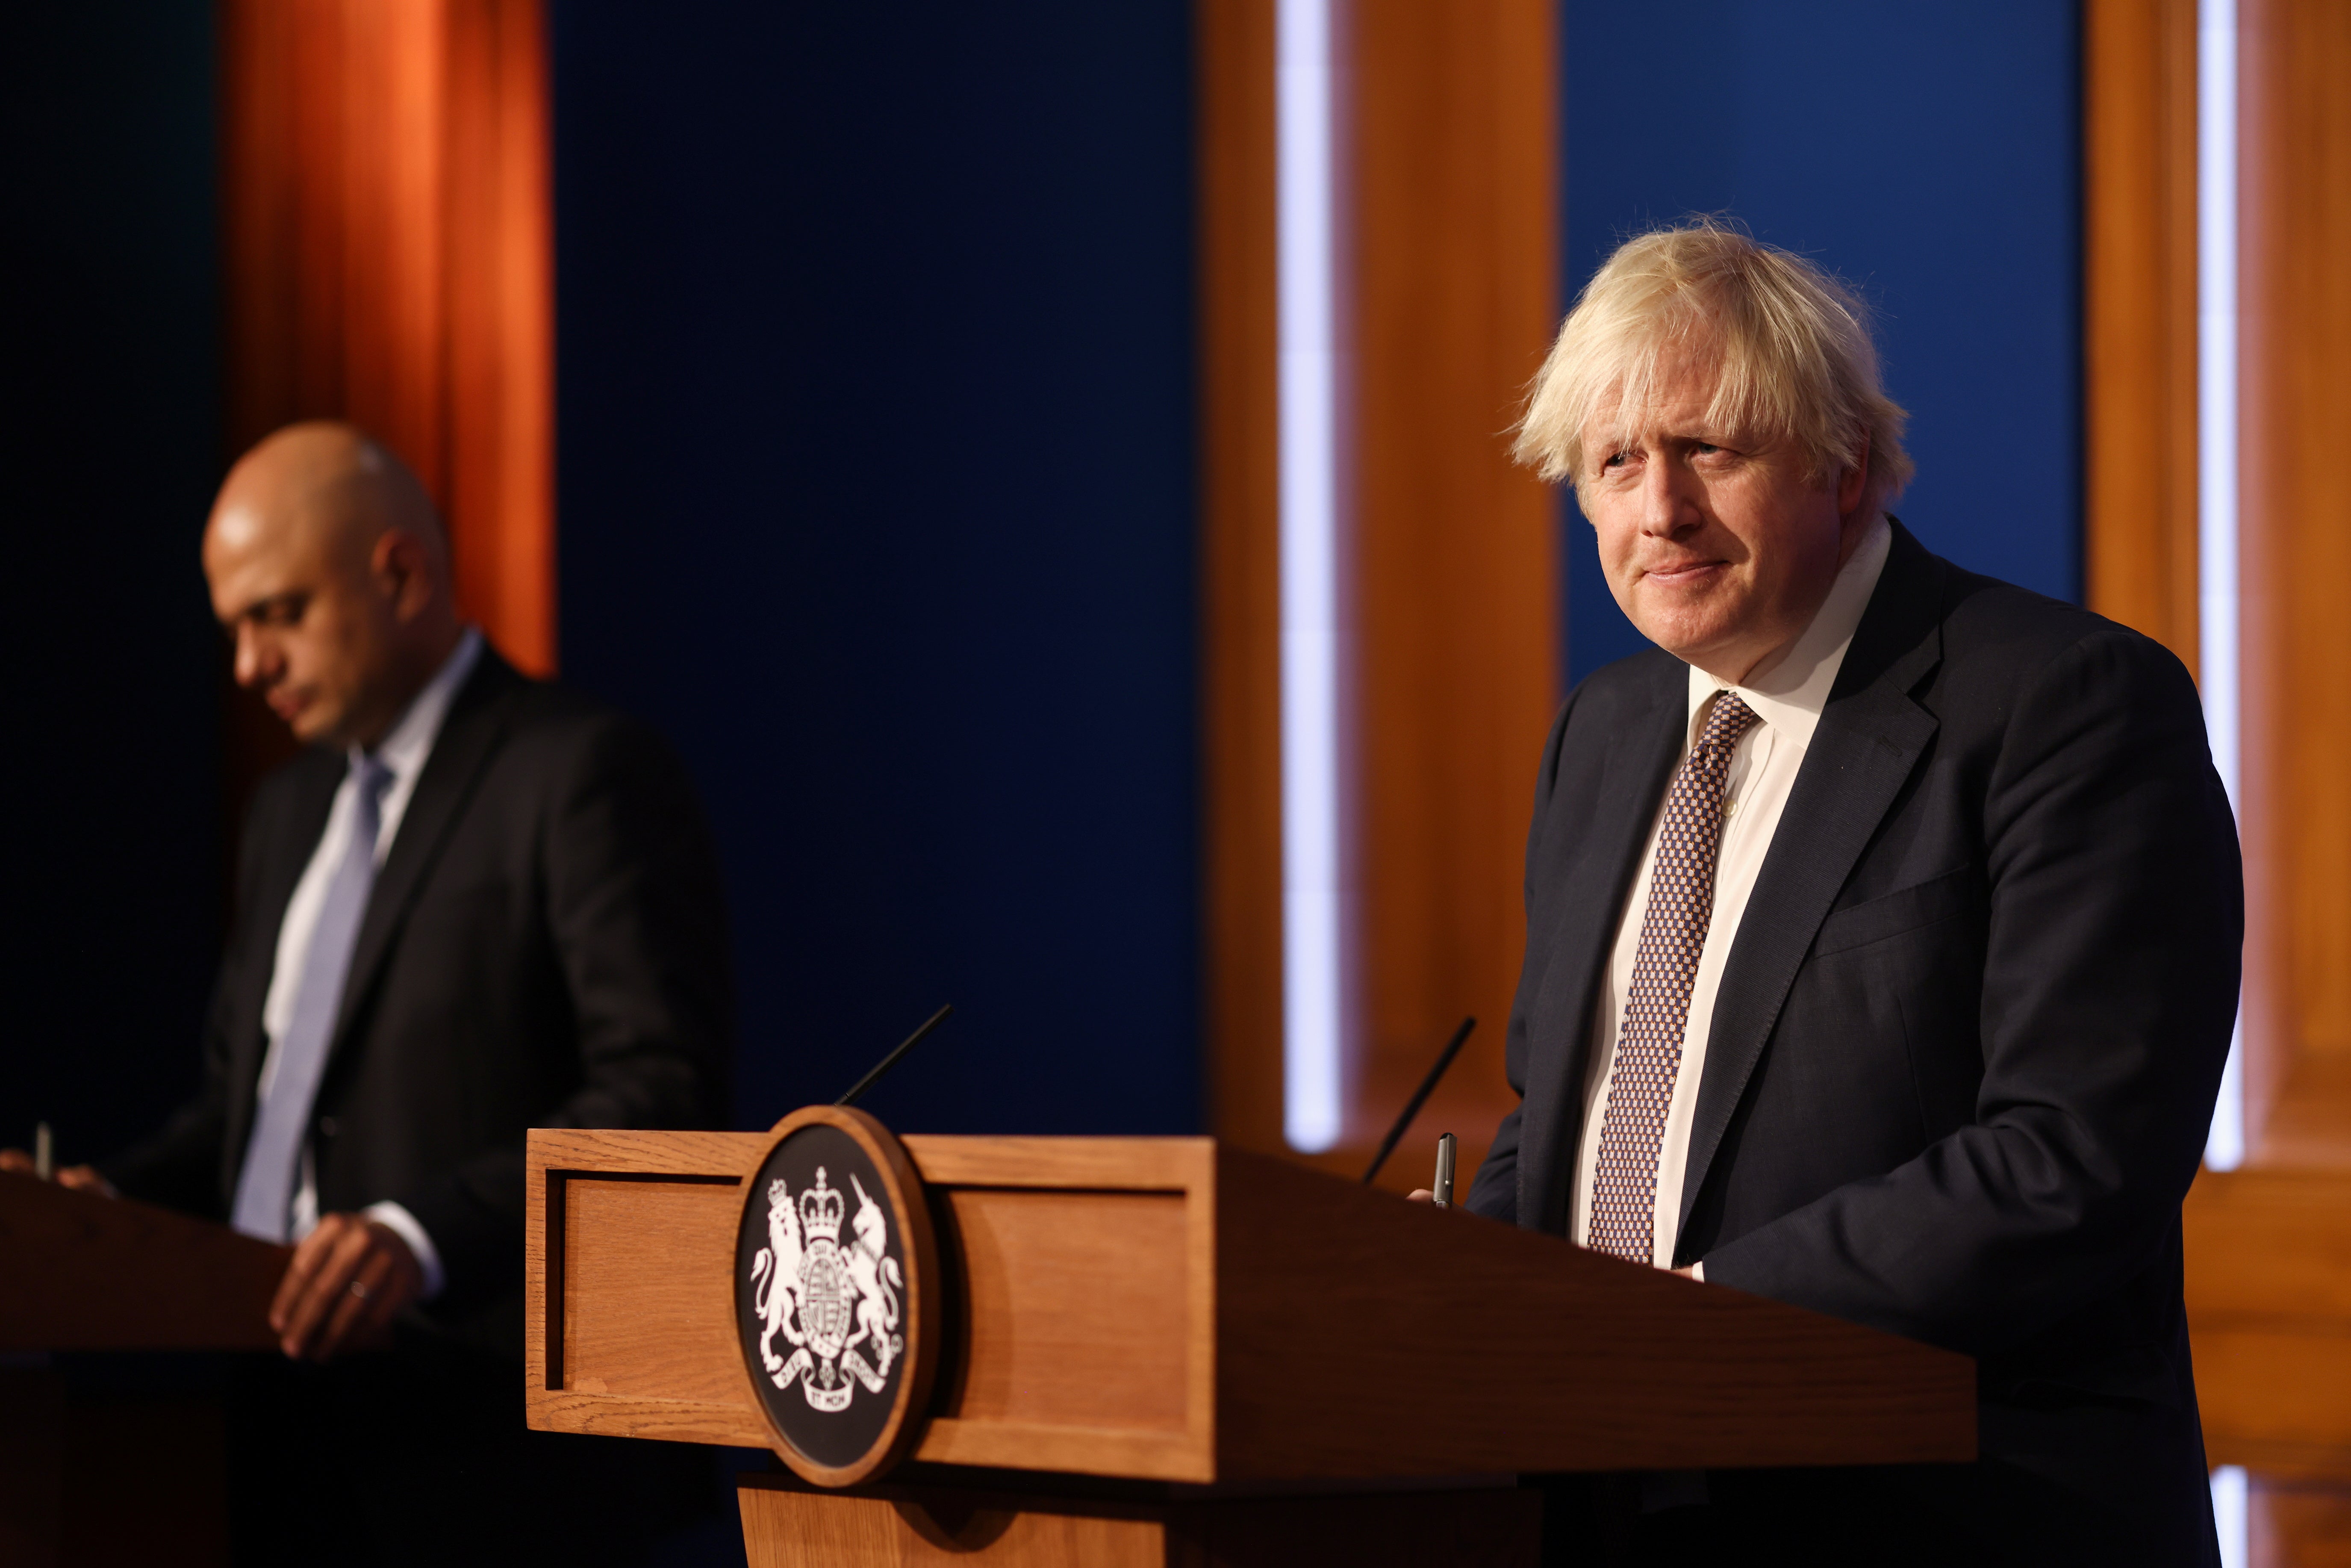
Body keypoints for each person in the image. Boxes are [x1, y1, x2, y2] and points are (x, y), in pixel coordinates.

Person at [1456, 222, 2239, 1565]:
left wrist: (1682, 1331)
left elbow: (2073, 1155)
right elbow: (1567, 1119)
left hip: (1939, 1509)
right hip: (1602, 1501)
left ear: (1848, 463)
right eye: (1614, 462)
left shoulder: (2064, 704)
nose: (1660, 510)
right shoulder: (1606, 726)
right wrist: (1456, 1293)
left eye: (1709, 448)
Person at [3, 421, 734, 1565]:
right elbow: (251, 1124)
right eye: (232, 626)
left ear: (400, 574)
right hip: (286, 1444)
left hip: (495, 1461)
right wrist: (100, 1207)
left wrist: (418, 1232)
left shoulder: (580, 769)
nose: (246, 666)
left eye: (276, 613)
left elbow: (663, 1092)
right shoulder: (285, 813)